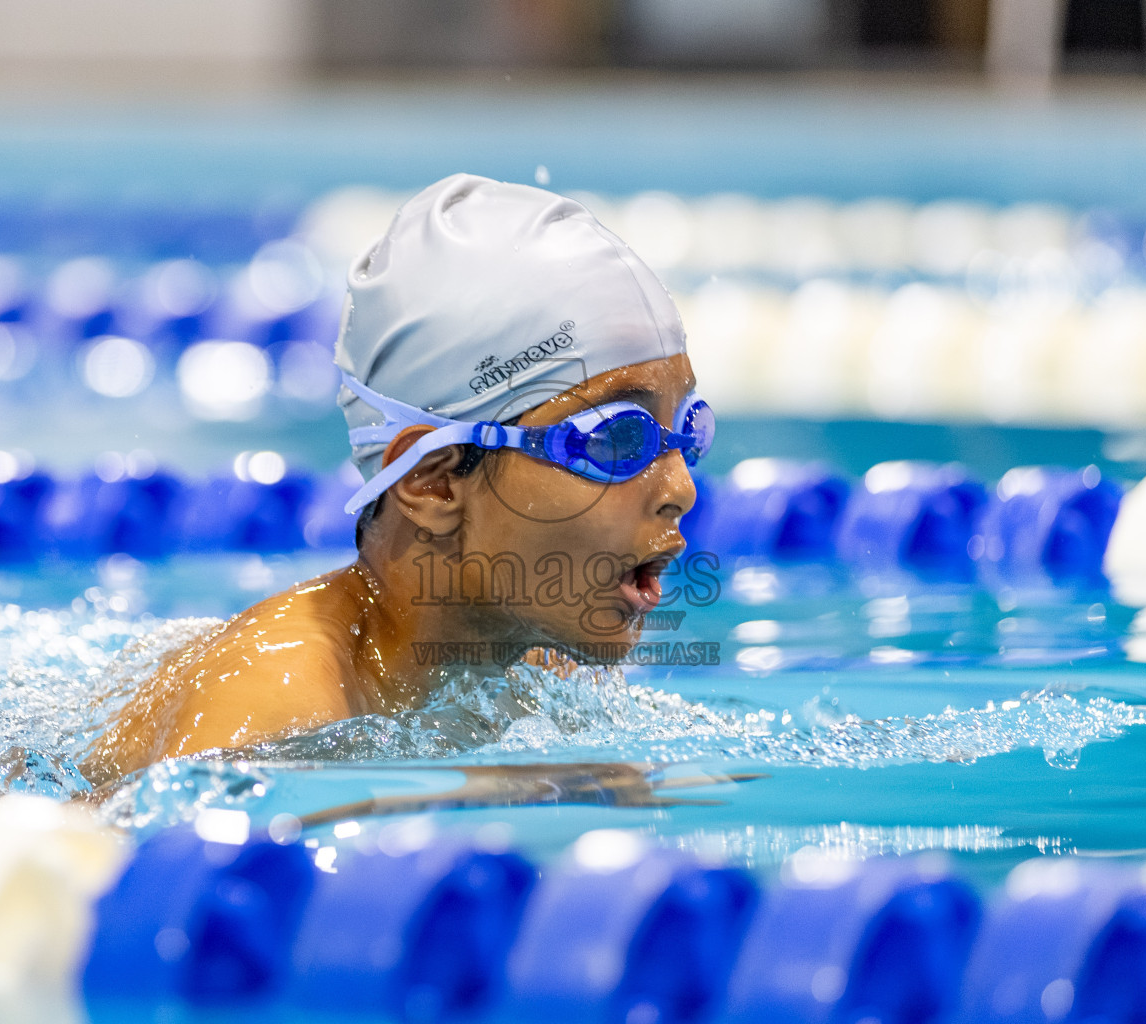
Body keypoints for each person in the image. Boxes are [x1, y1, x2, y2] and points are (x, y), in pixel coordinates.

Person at [81, 173, 711, 787]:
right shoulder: (267, 703)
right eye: (615, 439)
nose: (681, 488)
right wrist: (525, 786)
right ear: (434, 483)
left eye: (688, 427)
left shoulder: (540, 654)